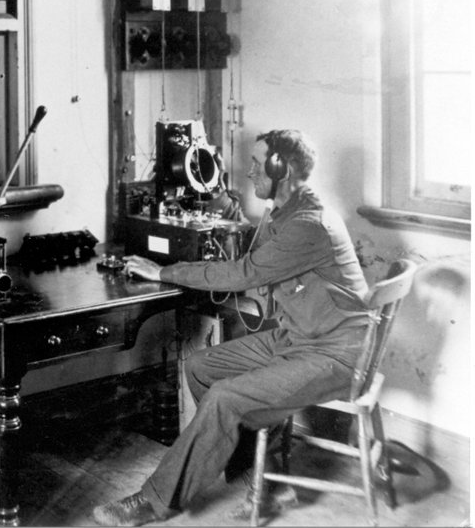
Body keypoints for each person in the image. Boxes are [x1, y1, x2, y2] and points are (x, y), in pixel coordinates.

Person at [92, 129, 371, 526]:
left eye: (258, 165)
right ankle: (259, 476)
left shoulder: (308, 223)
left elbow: (246, 272)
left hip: (335, 352)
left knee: (225, 398)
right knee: (201, 367)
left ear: (282, 169)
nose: (251, 172)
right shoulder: (287, 212)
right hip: (299, 337)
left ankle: (152, 502)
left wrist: (165, 272)